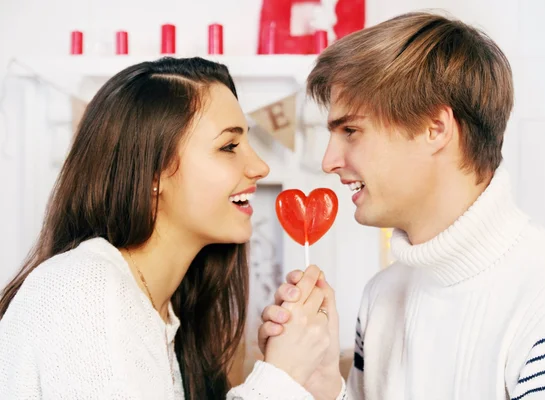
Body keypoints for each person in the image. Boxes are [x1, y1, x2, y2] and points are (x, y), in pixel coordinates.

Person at [260, 11, 545, 400]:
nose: (329, 162)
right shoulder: (380, 296)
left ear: (434, 129)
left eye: (351, 131)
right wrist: (322, 385)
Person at [0, 57, 334, 400]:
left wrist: (320, 384)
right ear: (152, 175)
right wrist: (280, 377)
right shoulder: (83, 287)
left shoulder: (169, 317)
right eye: (229, 147)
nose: (260, 167)